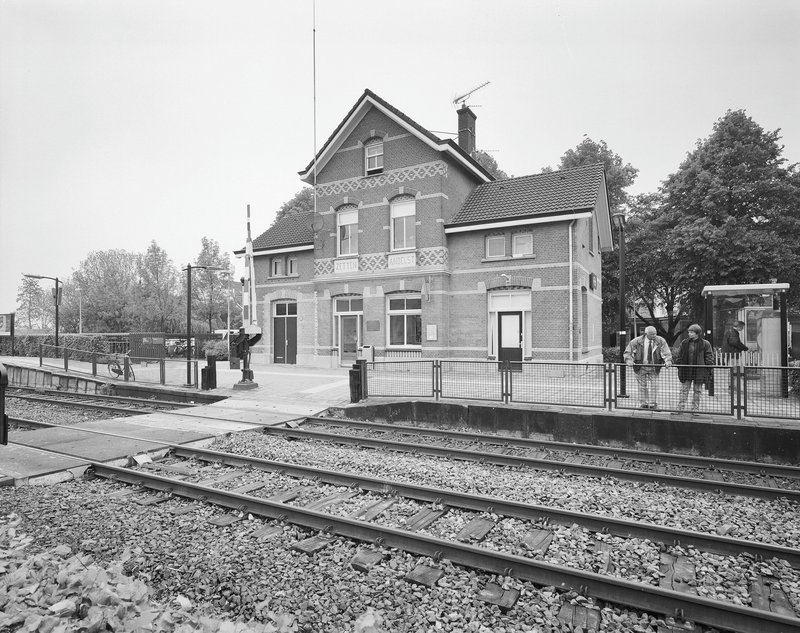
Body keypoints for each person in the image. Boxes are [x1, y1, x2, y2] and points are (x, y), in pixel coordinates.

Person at [624, 326, 673, 409]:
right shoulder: (636, 341)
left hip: (654, 367)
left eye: (655, 333)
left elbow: (666, 352)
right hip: (640, 366)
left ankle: (653, 403)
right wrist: (629, 360)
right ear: (646, 334)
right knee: (642, 386)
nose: (654, 335)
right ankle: (644, 403)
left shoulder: (660, 340)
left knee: (655, 385)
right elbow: (628, 352)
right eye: (652, 334)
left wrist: (668, 361)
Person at [674, 323, 715, 414]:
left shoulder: (705, 343)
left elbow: (709, 356)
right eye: (689, 332)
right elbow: (679, 355)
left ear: (697, 333)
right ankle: (680, 409)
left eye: (692, 332)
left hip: (699, 370)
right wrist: (679, 365)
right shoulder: (684, 342)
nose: (689, 333)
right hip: (686, 370)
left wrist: (708, 368)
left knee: (697, 391)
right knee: (684, 390)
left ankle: (695, 409)